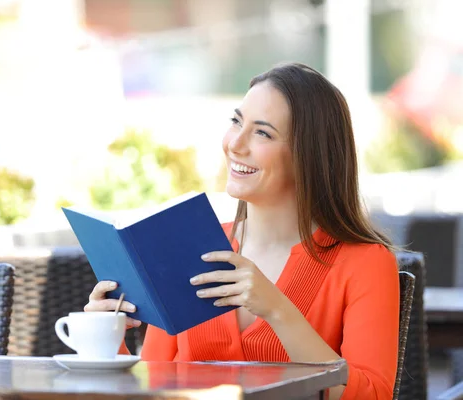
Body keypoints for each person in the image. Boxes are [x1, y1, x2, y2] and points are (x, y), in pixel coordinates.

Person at [84, 62, 399, 400]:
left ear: (309, 155)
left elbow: (373, 395)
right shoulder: (191, 244)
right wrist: (107, 336)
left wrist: (278, 310)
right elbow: (153, 382)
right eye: (236, 121)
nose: (235, 143)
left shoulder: (365, 263)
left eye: (262, 132)